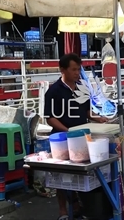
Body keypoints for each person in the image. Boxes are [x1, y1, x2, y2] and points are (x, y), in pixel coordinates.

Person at [44, 53, 108, 220]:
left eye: (78, 69)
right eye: (73, 69)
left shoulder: (82, 87)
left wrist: (97, 118)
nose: (77, 73)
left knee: (81, 173)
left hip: (82, 137)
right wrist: (67, 131)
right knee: (61, 176)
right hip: (62, 139)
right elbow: (50, 118)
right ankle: (63, 211)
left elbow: (86, 112)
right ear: (62, 70)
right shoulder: (53, 91)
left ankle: (79, 205)